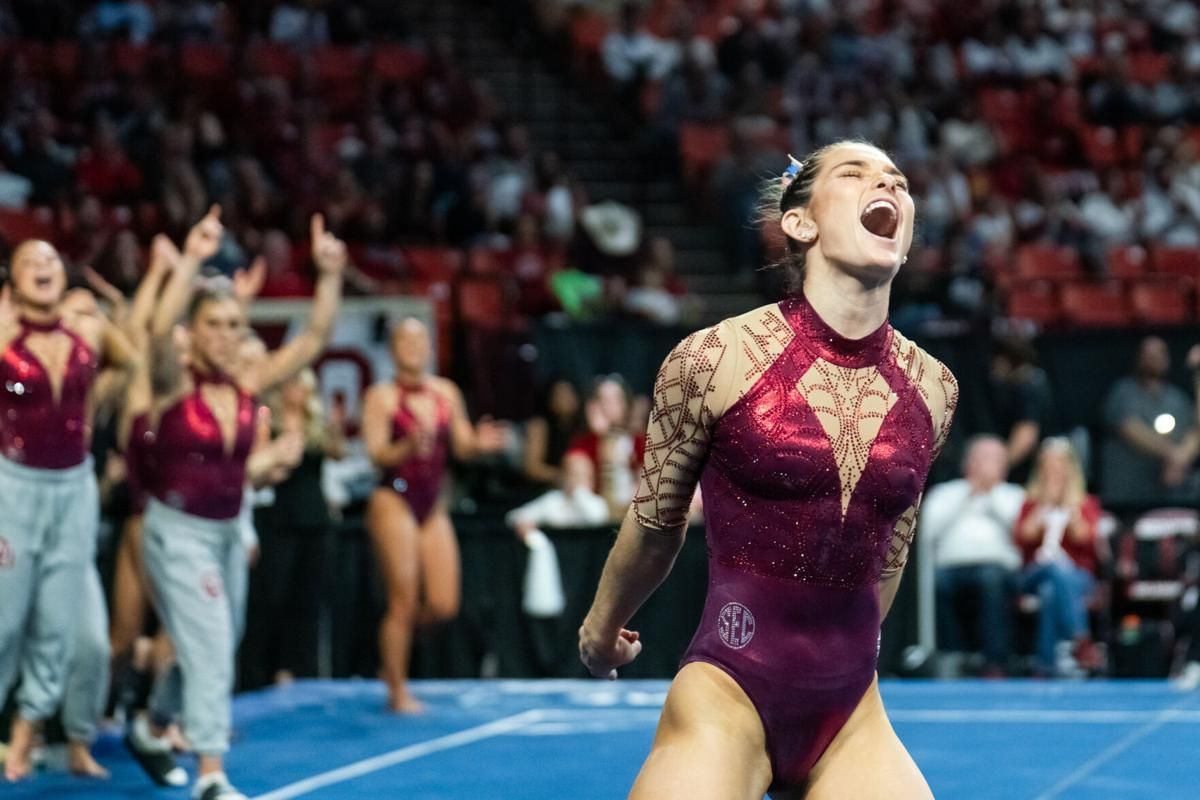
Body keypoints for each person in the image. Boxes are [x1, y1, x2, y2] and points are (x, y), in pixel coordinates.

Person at [578, 141, 958, 797]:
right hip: (730, 690)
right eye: (856, 173)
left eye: (898, 179)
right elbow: (655, 522)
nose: (888, 186)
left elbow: (889, 549)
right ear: (799, 222)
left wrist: (843, 665)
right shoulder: (713, 359)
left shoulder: (935, 387)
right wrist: (600, 629)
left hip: (851, 716)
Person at [122, 208, 344, 800]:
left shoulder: (246, 387)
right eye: (212, 324)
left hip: (224, 529)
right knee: (212, 643)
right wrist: (192, 258)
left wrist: (327, 276)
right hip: (175, 529)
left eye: (232, 323)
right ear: (193, 332)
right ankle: (211, 775)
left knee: (218, 639)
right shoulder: (173, 381)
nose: (224, 333)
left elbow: (315, 340)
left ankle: (149, 726)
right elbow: (154, 329)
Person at [0, 238, 138, 782]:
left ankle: (26, 734)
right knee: (5, 622)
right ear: (13, 283)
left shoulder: (89, 331)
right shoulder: (5, 335)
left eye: (52, 262)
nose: (44, 269)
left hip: (74, 485)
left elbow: (130, 359)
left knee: (59, 623)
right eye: (31, 263)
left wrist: (94, 395)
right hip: (14, 485)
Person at [361, 317, 508, 714]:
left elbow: (460, 446)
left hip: (432, 503)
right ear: (392, 350)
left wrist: (480, 443)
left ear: (430, 348)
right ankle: (396, 690)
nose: (413, 347)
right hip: (394, 497)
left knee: (444, 605)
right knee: (402, 600)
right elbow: (376, 455)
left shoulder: (445, 392)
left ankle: (392, 654)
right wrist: (406, 446)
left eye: (419, 340)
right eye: (405, 340)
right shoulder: (381, 396)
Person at [246, 366, 346, 686]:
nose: (297, 391)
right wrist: (276, 460)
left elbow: (337, 453)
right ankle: (266, 667)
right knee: (275, 595)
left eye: (302, 385)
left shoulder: (315, 426)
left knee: (309, 596)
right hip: (281, 517)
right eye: (291, 384)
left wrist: (337, 430)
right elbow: (259, 469)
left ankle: (298, 667)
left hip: (314, 516)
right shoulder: (267, 421)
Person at [919, 435, 1025, 677]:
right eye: (981, 458)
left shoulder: (1013, 495)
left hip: (999, 569)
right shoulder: (946, 492)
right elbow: (928, 531)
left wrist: (990, 495)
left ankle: (994, 661)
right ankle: (952, 657)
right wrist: (968, 494)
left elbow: (1020, 530)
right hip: (950, 568)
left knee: (991, 580)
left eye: (994, 459)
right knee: (937, 585)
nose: (986, 465)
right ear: (967, 463)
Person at [1014, 438, 1103, 678]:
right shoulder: (1029, 502)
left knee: (1050, 592)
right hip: (1035, 571)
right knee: (1054, 569)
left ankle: (1044, 665)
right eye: (1048, 464)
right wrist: (1044, 505)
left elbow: (1087, 540)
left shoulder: (1086, 504)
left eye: (1059, 464)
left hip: (1077, 575)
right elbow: (1023, 537)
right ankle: (1081, 638)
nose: (1053, 470)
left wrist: (1070, 510)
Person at [1100, 336, 1199, 507]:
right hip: (1127, 497)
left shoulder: (1177, 398)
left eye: (1160, 354)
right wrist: (1172, 453)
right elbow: (1130, 428)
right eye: (1149, 354)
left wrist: (1183, 456)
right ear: (1138, 357)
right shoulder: (1123, 391)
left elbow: (1194, 431)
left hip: (1172, 497)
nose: (1155, 359)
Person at [985, 336, 1054, 484]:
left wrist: (999, 466)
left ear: (1007, 360)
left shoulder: (1028, 387)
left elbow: (1026, 433)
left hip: (1030, 469)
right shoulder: (1037, 381)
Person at [506, 451, 611, 540]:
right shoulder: (553, 500)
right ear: (563, 477)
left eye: (582, 476)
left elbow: (596, 519)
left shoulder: (598, 503)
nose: (576, 481)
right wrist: (522, 524)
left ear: (591, 480)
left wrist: (580, 494)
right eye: (572, 475)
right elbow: (513, 517)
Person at [522, 379, 584, 488]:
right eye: (559, 394)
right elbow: (532, 468)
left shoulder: (581, 425)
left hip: (577, 487)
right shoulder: (539, 425)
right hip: (542, 490)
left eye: (569, 393)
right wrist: (560, 476)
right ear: (549, 398)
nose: (565, 399)